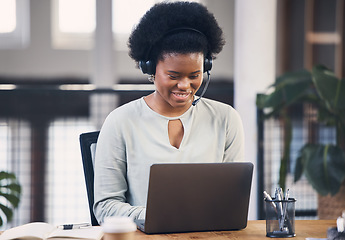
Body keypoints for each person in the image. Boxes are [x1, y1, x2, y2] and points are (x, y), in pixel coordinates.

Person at [93, 1, 244, 224]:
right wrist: (153, 217)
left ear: (206, 67)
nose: (185, 85)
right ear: (150, 68)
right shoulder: (120, 121)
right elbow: (105, 207)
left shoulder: (226, 119)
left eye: (194, 75)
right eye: (173, 76)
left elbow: (233, 200)